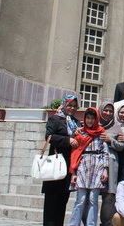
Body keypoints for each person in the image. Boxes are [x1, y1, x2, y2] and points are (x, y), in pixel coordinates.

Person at [42, 95, 81, 226]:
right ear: (64, 105)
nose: (72, 108)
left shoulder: (76, 122)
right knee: (51, 204)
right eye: (69, 105)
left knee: (62, 203)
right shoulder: (55, 119)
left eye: (74, 106)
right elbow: (49, 136)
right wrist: (68, 140)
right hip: (56, 162)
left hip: (69, 165)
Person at [68, 108, 109, 226]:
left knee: (93, 199)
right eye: (88, 118)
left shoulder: (100, 133)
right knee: (80, 200)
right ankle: (74, 224)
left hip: (97, 167)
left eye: (92, 118)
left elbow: (105, 152)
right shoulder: (80, 133)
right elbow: (75, 153)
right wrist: (74, 173)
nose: (90, 121)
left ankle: (91, 224)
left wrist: (105, 170)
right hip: (83, 167)